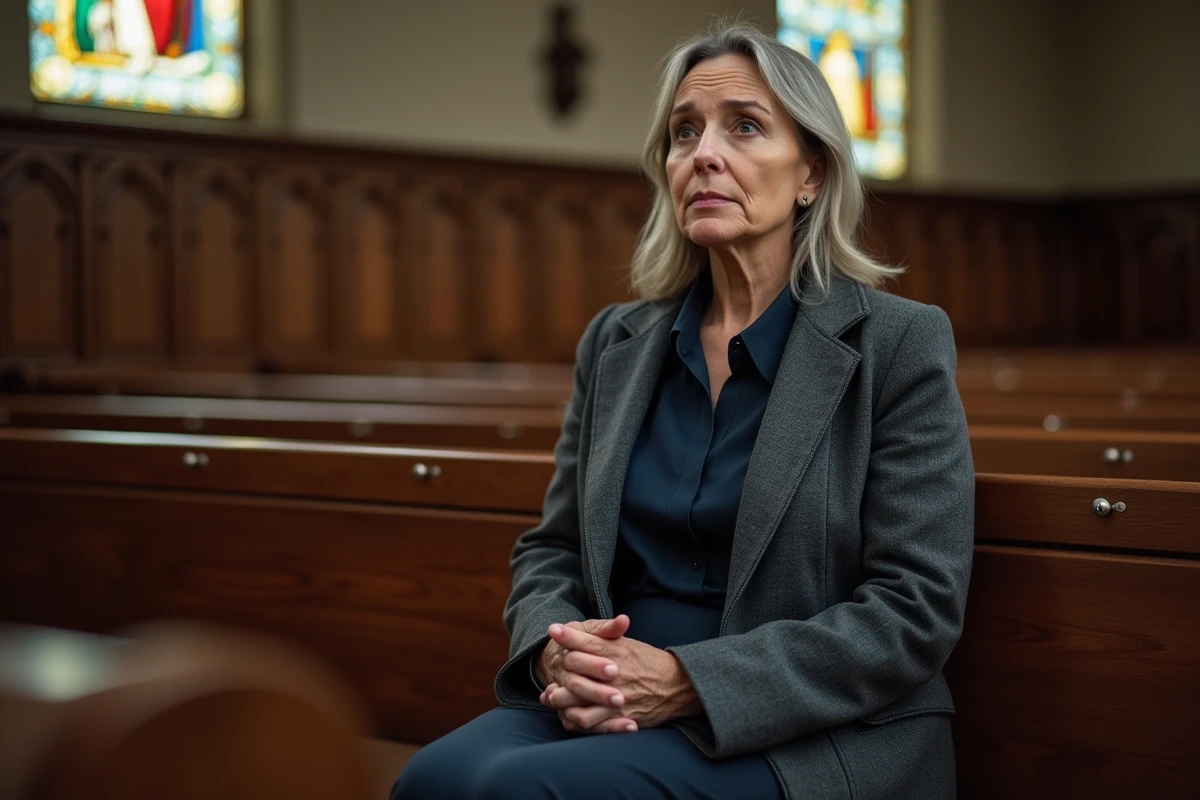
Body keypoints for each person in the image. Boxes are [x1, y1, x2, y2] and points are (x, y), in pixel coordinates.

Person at [392, 21, 973, 800]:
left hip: (806, 730)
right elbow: (552, 550)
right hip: (615, 696)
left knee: (520, 795)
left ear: (812, 173)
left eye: (745, 127)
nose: (703, 153)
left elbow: (915, 609)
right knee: (431, 780)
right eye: (683, 132)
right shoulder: (618, 342)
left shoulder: (897, 343)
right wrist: (555, 652)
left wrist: (688, 681)